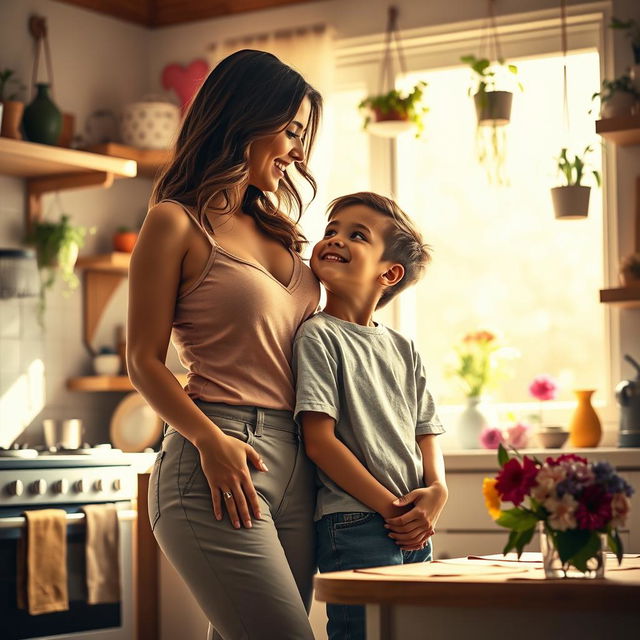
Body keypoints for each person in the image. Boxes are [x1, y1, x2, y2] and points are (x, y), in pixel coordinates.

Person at [127, 50, 323, 640]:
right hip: (215, 459)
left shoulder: (283, 235)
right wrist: (209, 440)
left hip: (298, 465)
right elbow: (142, 361)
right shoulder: (176, 223)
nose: (298, 152)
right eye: (291, 131)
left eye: (304, 136)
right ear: (246, 116)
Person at [293, 192, 449, 640]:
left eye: (355, 235)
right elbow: (319, 442)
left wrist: (436, 491)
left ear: (389, 273)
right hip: (355, 522)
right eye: (331, 230)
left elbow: (426, 430)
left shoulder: (404, 348)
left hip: (413, 525)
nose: (334, 239)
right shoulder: (318, 336)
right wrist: (393, 510)